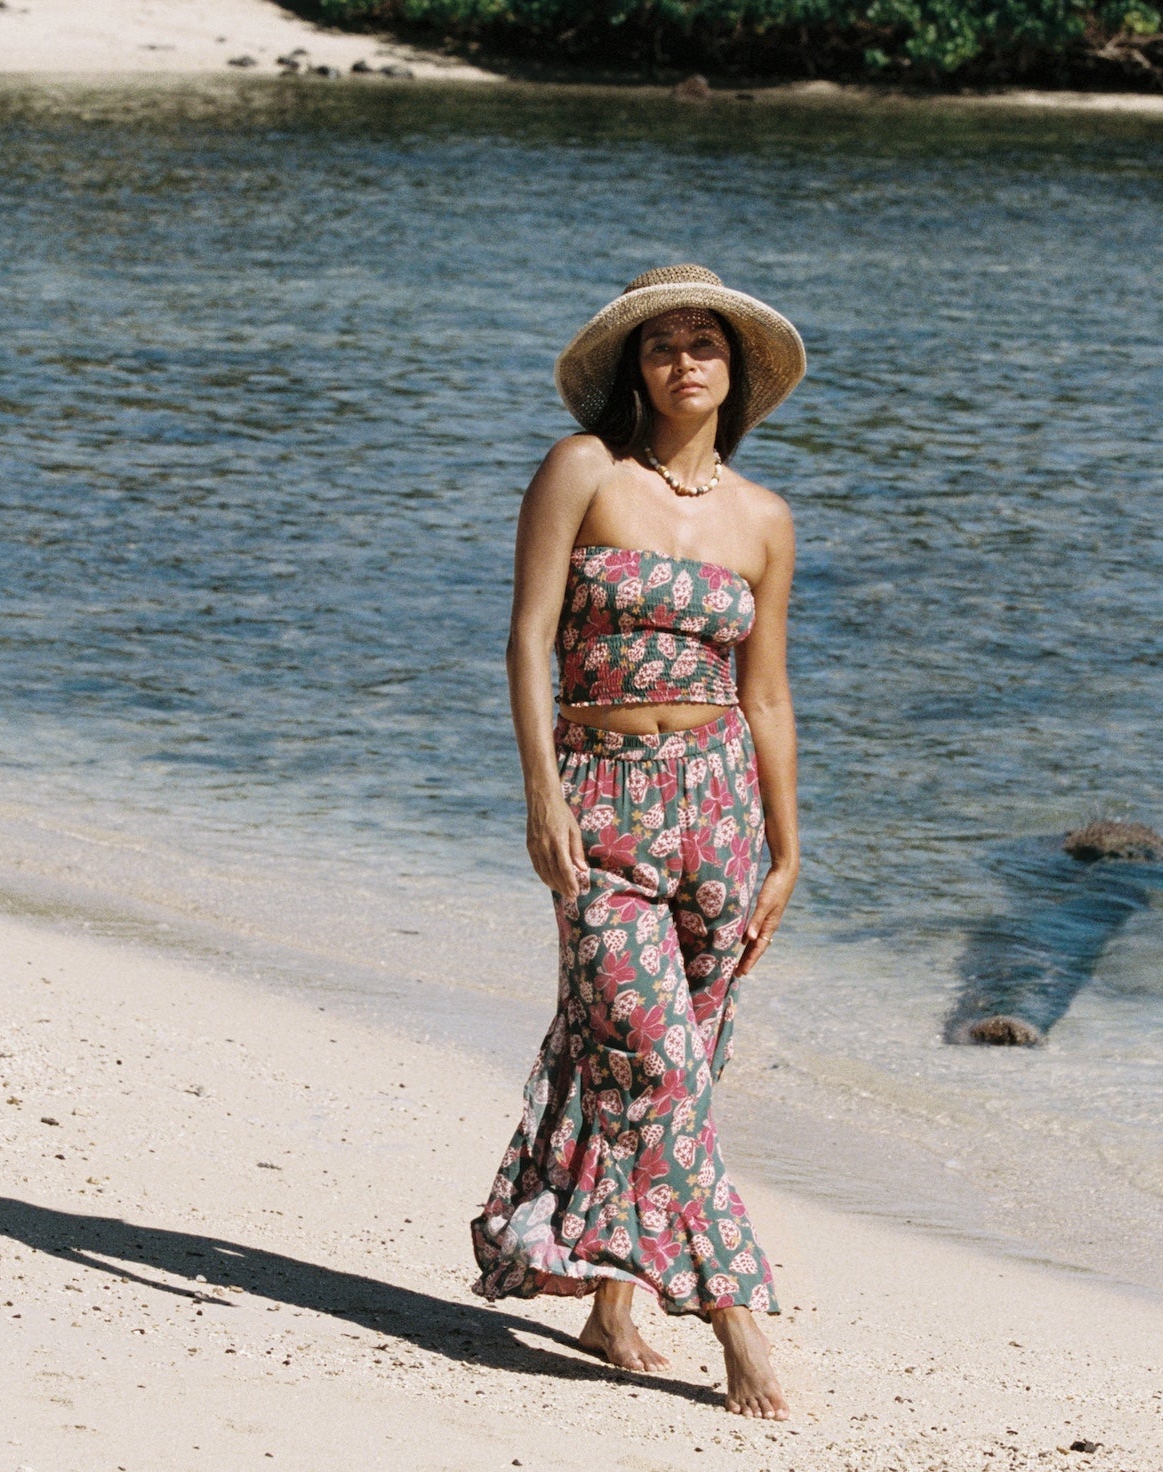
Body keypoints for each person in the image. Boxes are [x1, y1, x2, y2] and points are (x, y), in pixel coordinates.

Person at [470, 265, 806, 1421]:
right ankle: (739, 1320)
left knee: (673, 1066)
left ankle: (611, 1297)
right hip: (604, 792)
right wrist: (540, 793)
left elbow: (765, 697)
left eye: (704, 342)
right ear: (636, 367)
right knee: (651, 1061)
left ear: (734, 369)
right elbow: (524, 637)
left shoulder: (764, 519)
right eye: (661, 344)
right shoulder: (582, 471)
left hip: (720, 807)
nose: (683, 361)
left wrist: (786, 849)